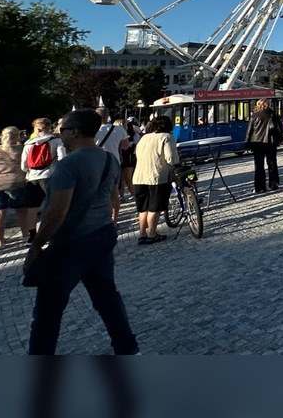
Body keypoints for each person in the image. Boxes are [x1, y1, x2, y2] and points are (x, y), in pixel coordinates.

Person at [24, 109, 138, 355]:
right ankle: (127, 347)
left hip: (71, 243)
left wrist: (36, 246)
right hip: (102, 234)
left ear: (74, 131)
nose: (59, 134)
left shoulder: (69, 165)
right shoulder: (110, 160)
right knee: (107, 299)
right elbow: (112, 197)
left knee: (48, 311)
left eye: (62, 130)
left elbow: (57, 211)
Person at [0, 127, 31, 250]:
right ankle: (25, 236)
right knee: (21, 211)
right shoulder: (22, 149)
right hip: (16, 182)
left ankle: (0, 242)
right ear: (17, 136)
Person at [132, 115, 180, 244]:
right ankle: (152, 234)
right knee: (155, 207)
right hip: (157, 177)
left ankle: (142, 234)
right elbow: (171, 158)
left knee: (143, 208)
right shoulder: (166, 137)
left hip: (138, 177)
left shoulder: (144, 138)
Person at [21, 117, 65, 243]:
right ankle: (50, 230)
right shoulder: (56, 141)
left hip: (32, 178)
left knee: (32, 207)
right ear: (49, 127)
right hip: (49, 176)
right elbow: (62, 158)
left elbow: (23, 166)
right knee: (51, 205)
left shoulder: (28, 144)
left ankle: (32, 234)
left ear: (36, 129)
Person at [94, 108, 130, 222]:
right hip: (114, 162)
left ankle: (102, 219)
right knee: (114, 192)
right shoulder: (119, 129)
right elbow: (125, 146)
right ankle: (114, 221)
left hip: (96, 163)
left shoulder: (92, 129)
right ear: (108, 116)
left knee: (99, 193)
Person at [245, 98, 283, 194]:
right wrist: (279, 139)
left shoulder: (254, 115)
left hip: (257, 142)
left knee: (259, 166)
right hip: (270, 142)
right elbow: (279, 127)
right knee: (272, 163)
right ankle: (274, 182)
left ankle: (260, 186)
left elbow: (249, 131)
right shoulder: (273, 115)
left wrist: (247, 143)